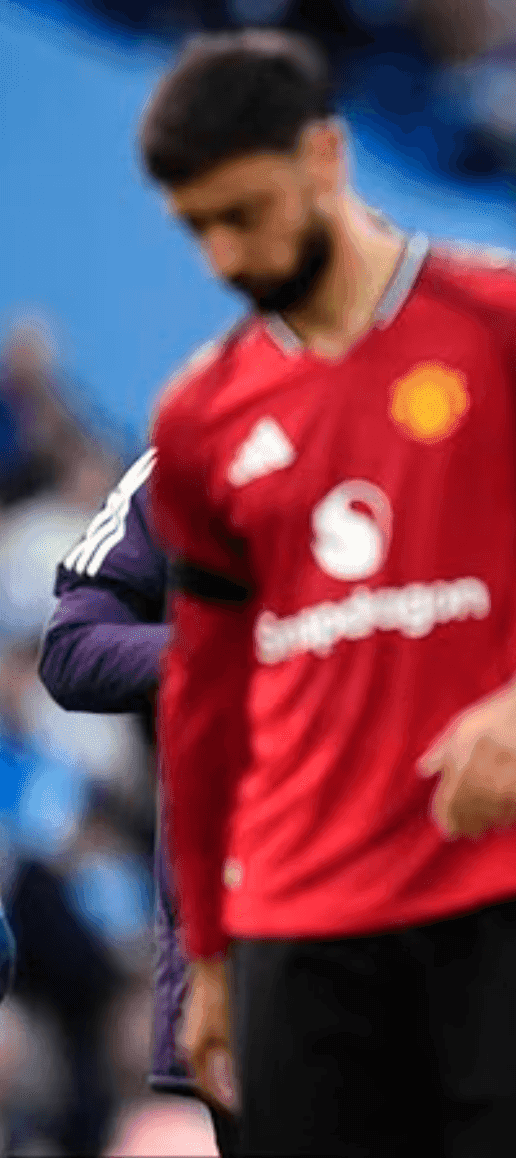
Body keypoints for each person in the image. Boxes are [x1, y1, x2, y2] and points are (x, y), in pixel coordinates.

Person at [138, 30, 516, 1156]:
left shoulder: (513, 320)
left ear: (326, 158)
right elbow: (203, 705)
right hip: (293, 933)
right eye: (197, 226)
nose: (222, 254)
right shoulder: (202, 418)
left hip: (508, 907)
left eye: (243, 213)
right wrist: (206, 959)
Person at [36, 449, 242, 1153]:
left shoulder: (462, 439)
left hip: (440, 925)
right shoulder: (196, 447)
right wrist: (232, 655)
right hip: (242, 948)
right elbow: (71, 647)